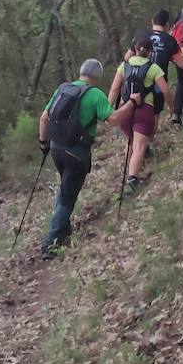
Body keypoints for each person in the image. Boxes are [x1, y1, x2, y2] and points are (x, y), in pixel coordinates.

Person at [37, 59, 113, 257]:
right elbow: (112, 119)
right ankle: (50, 243)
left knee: (65, 187)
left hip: (56, 148)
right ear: (97, 76)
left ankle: (63, 227)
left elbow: (44, 117)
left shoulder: (63, 88)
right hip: (77, 152)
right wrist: (131, 104)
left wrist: (43, 143)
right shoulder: (95, 94)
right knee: (68, 197)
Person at [107, 35, 170, 192]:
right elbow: (165, 90)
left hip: (126, 109)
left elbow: (115, 89)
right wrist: (172, 108)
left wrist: (108, 110)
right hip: (145, 110)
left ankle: (127, 175)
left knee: (130, 143)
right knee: (139, 145)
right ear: (150, 52)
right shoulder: (154, 68)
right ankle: (132, 179)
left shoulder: (124, 66)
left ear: (135, 50)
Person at [145, 10, 180, 125]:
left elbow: (127, 57)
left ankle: (136, 139)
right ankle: (149, 139)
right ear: (167, 25)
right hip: (158, 83)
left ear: (152, 21)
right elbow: (181, 63)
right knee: (155, 112)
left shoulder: (142, 36)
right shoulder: (170, 40)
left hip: (139, 78)